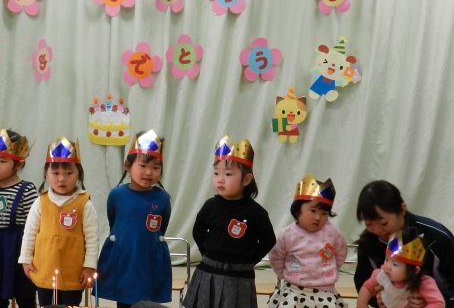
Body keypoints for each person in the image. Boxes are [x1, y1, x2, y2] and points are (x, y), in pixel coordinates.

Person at [183, 135, 276, 308]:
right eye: (216, 173)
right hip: (208, 272)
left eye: (228, 174)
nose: (220, 178)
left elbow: (268, 240)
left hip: (240, 278)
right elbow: (198, 231)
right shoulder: (210, 206)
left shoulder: (257, 213)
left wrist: (249, 260)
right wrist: (209, 254)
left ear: (246, 179)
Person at [354, 180, 454, 307]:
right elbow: (363, 284)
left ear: (402, 209)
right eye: (369, 225)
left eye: (384, 223)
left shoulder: (436, 238)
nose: (377, 231)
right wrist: (378, 300)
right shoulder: (369, 242)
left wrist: (432, 300)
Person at [19, 136, 98, 307]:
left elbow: (92, 239)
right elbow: (30, 233)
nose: (62, 179)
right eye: (55, 173)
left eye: (69, 173)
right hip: (44, 270)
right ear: (46, 175)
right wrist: (25, 259)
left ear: (79, 174)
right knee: (46, 305)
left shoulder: (85, 203)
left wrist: (89, 266)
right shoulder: (40, 202)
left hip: (73, 273)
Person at [97, 130, 172, 308]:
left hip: (150, 260)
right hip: (125, 259)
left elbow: (161, 227)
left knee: (148, 303)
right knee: (124, 300)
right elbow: (114, 221)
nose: (148, 172)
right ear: (128, 165)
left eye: (155, 167)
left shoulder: (162, 198)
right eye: (143, 165)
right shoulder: (116, 195)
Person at [266, 174, 348, 308]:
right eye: (313, 210)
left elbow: (341, 252)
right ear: (298, 210)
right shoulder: (288, 234)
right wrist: (285, 274)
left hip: (325, 293)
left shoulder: (332, 232)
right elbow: (276, 257)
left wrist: (329, 270)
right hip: (294, 291)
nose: (318, 217)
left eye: (324, 213)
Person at [0, 128, 38, 308]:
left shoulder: (27, 190)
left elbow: (34, 227)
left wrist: (31, 256)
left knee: (25, 297)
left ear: (19, 164)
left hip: (17, 249)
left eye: (2, 161)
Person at [356, 228, 445, 308]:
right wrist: (362, 304)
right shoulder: (380, 275)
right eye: (386, 260)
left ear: (414, 270)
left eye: (395, 264)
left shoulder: (424, 283)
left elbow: (438, 303)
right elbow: (367, 288)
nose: (387, 266)